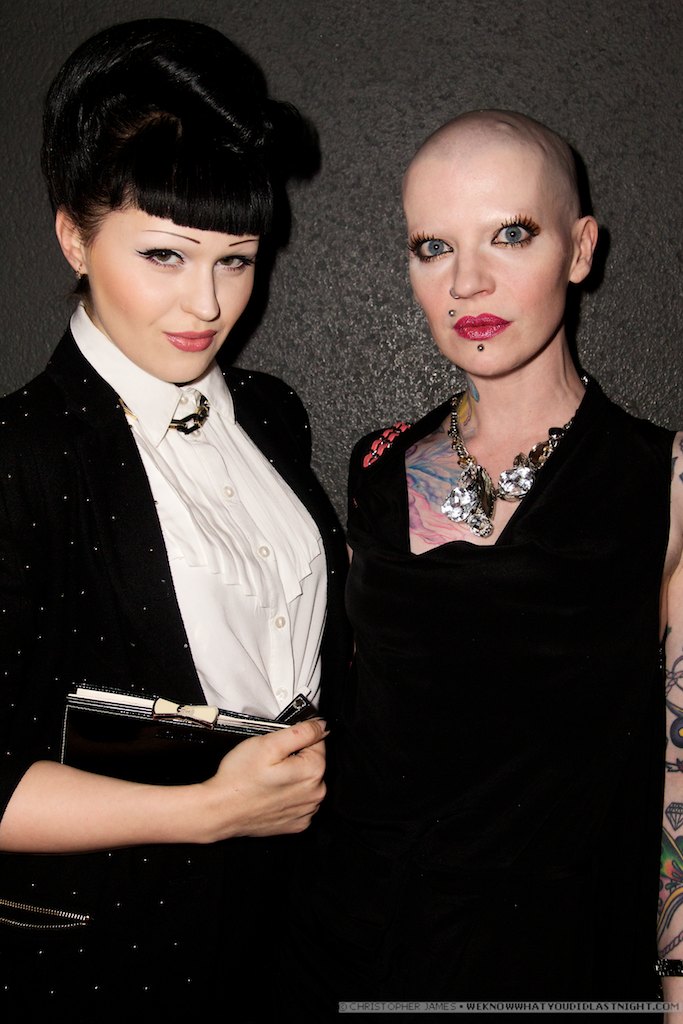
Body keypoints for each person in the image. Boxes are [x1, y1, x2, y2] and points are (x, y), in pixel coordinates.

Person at [293, 110, 683, 1014]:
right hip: (352, 952)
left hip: (560, 968)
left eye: (511, 234)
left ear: (579, 250)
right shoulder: (374, 468)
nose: (466, 280)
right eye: (432, 247)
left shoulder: (662, 479)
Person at [0, 18, 349, 1019]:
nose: (205, 304)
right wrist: (209, 809)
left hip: (288, 941)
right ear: (73, 235)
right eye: (164, 254)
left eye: (235, 260)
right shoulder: (21, 457)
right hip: (111, 961)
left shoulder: (270, 413)